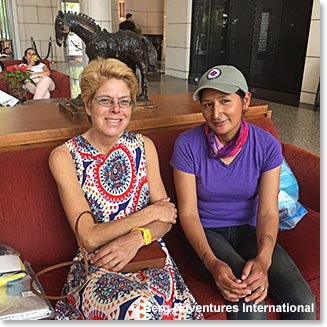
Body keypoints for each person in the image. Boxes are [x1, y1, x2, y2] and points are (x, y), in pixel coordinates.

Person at [49, 57, 203, 320]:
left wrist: (137, 238)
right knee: (140, 310)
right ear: (88, 105)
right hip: (99, 265)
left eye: (124, 101)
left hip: (148, 257)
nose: (116, 110)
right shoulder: (64, 156)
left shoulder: (144, 146)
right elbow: (89, 237)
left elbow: (167, 220)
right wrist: (148, 215)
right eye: (105, 100)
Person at [170, 65, 316, 320]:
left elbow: (269, 210)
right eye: (208, 104)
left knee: (302, 300)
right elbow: (189, 213)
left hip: (249, 229)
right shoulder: (187, 145)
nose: (216, 114)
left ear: (245, 100)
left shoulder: (266, 145)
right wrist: (212, 263)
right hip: (207, 231)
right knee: (248, 299)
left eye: (225, 101)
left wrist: (264, 260)